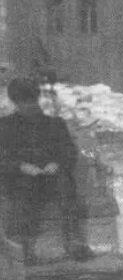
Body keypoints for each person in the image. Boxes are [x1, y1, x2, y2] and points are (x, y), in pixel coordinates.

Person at [0, 77, 90, 263]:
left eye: (32, 102)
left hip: (52, 178)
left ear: (37, 99)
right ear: (15, 103)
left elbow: (69, 151)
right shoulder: (5, 126)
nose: (29, 107)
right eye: (24, 103)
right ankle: (24, 248)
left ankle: (74, 241)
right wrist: (20, 166)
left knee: (65, 185)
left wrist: (56, 163)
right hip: (20, 180)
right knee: (23, 195)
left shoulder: (55, 123)